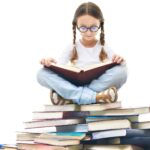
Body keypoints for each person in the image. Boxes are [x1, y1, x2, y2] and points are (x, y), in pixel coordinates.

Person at [37, 2, 127, 105]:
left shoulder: (104, 46)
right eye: (83, 28)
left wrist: (120, 60)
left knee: (123, 71)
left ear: (100, 24)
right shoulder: (72, 46)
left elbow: (117, 67)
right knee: (41, 74)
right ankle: (95, 97)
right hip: (75, 83)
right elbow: (60, 67)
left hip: (97, 83)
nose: (88, 33)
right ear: (76, 25)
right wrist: (51, 64)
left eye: (93, 27)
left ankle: (70, 96)